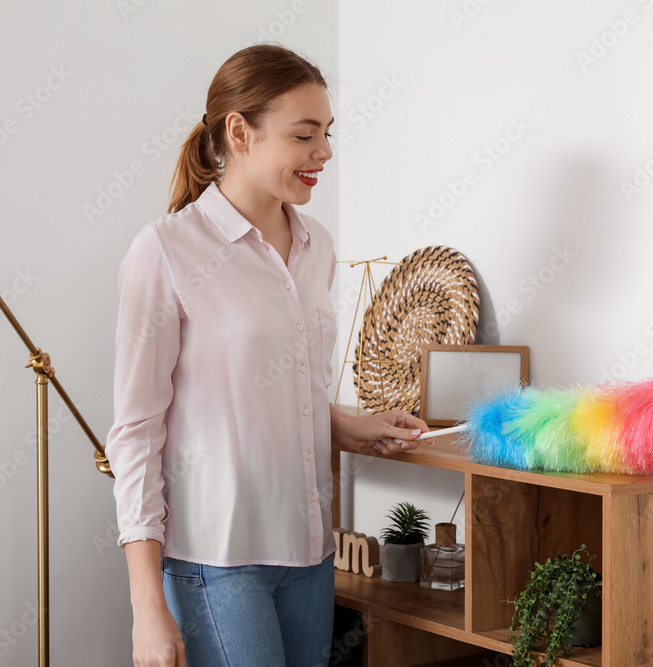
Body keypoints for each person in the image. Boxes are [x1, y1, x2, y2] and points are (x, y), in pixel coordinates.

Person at [105, 44, 435, 667]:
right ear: (240, 133)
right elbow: (136, 432)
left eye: (328, 134)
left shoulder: (317, 247)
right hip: (216, 560)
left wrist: (346, 424)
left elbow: (269, 389)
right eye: (305, 135)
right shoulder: (167, 251)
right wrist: (147, 608)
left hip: (309, 556)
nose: (325, 153)